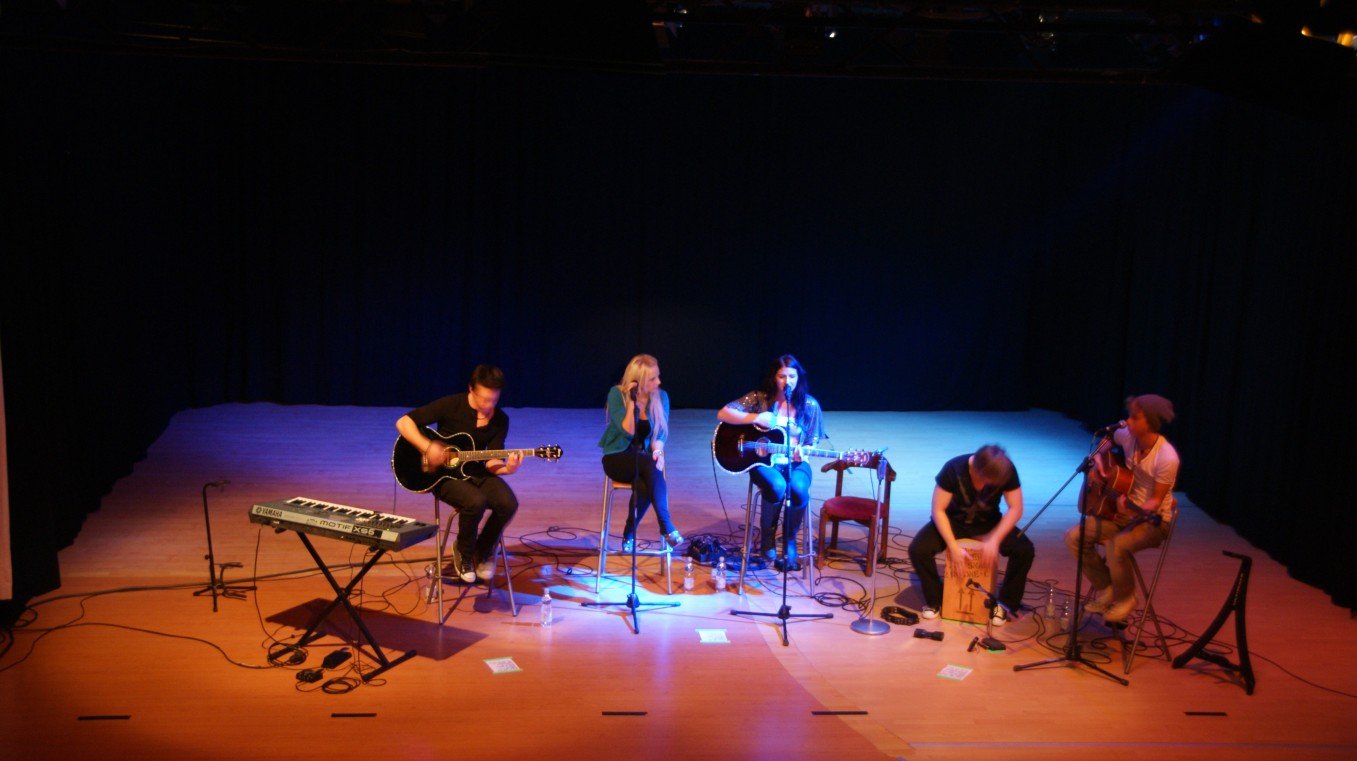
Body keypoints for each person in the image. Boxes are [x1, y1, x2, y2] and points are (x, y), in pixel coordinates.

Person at [395, 365, 522, 584]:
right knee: (476, 501)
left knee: (508, 503)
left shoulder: (501, 419)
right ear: (470, 390)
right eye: (483, 399)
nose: (488, 405)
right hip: (443, 476)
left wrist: (508, 468)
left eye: (493, 400)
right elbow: (403, 422)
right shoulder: (451, 404)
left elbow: (492, 461)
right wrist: (428, 447)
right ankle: (463, 552)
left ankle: (481, 550)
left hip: (474, 471)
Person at [1065, 394, 1179, 623]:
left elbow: (1155, 503)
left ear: (1150, 422)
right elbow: (1109, 438)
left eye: (1135, 417)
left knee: (1117, 547)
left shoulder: (1167, 457)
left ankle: (1126, 598)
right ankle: (1107, 588)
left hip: (1153, 521)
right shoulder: (1129, 436)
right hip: (1123, 515)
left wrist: (1131, 510)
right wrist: (1097, 460)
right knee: (1074, 537)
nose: (1128, 421)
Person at [716, 354, 825, 572]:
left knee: (799, 489)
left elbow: (812, 441)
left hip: (795, 463)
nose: (787, 381)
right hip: (764, 463)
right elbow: (723, 413)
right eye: (782, 376)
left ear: (798, 378)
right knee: (777, 486)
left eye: (792, 376)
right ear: (774, 378)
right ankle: (767, 540)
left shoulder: (810, 405)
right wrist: (754, 418)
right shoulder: (760, 399)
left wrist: (804, 452)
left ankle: (789, 541)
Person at [907, 444, 1033, 626]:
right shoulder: (953, 468)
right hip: (953, 522)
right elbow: (938, 509)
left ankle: (1005, 604)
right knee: (918, 550)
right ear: (976, 469)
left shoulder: (1006, 469)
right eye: (986, 481)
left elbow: (1016, 508)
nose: (987, 486)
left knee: (1024, 549)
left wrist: (994, 538)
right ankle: (936, 600)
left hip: (989, 522)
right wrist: (952, 544)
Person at [598, 354, 682, 551]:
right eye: (652, 379)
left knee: (646, 484)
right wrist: (631, 403)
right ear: (638, 381)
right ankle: (667, 527)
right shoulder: (616, 394)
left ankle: (629, 533)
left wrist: (658, 452)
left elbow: (660, 434)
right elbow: (627, 431)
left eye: (658, 376)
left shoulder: (662, 397)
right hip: (617, 458)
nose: (658, 382)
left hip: (644, 462)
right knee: (648, 465)